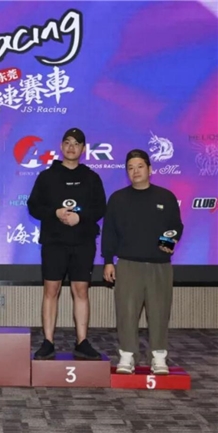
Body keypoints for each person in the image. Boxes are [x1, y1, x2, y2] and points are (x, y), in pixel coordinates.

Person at [27, 128, 107, 361]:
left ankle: (82, 341)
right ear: (61, 147)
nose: (72, 147)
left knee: (81, 291)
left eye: (77, 144)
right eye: (68, 143)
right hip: (54, 242)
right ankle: (48, 342)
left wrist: (80, 218)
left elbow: (100, 208)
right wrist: (55, 212)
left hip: (83, 243)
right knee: (51, 290)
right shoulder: (46, 176)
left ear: (83, 149)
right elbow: (33, 206)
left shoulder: (92, 177)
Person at [102, 149, 183, 375]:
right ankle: (127, 356)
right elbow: (109, 232)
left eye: (139, 166)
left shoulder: (165, 197)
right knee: (126, 313)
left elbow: (176, 226)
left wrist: (168, 242)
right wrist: (108, 261)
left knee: (159, 312)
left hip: (160, 266)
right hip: (128, 265)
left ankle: (158, 357)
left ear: (150, 169)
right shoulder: (118, 199)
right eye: (130, 168)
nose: (135, 171)